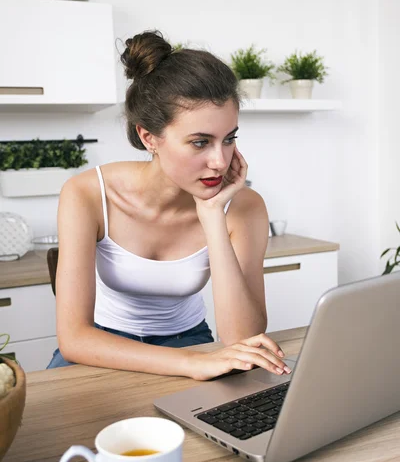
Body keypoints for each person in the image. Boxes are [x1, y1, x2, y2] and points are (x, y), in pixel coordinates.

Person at [47, 30, 292, 381]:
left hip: (190, 341)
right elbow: (74, 338)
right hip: (101, 347)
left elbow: (242, 338)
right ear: (149, 138)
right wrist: (192, 364)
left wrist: (212, 216)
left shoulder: (244, 207)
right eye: (199, 143)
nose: (220, 162)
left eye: (229, 139)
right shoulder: (87, 194)